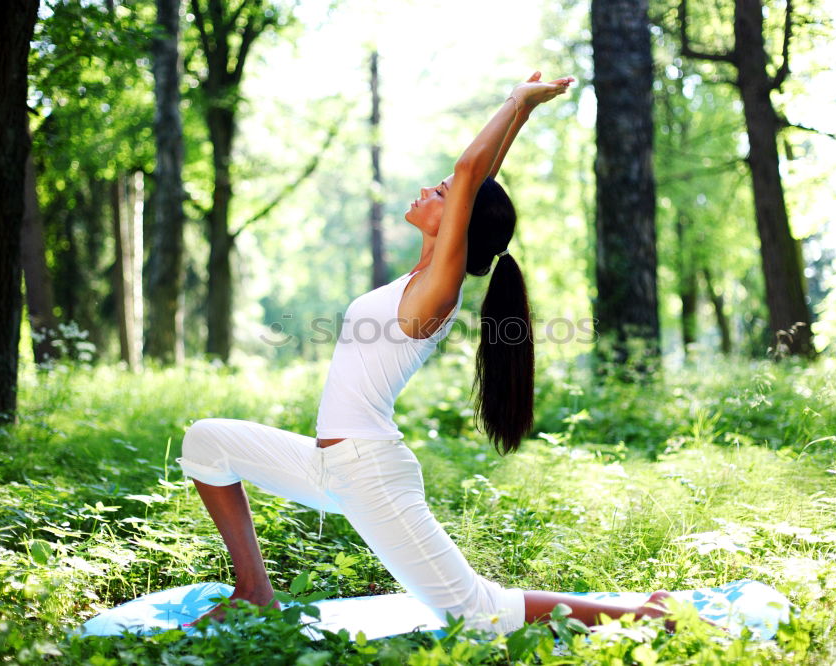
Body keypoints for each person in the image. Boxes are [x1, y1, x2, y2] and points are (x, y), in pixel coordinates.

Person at [177, 71, 672, 634]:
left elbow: (469, 176)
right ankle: (253, 591)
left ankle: (643, 614)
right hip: (327, 465)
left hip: (368, 473)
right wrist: (522, 114)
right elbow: (479, 181)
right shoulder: (421, 275)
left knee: (477, 615)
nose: (428, 190)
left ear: (457, 217)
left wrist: (514, 99)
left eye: (440, 194)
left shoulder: (439, 288)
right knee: (207, 441)